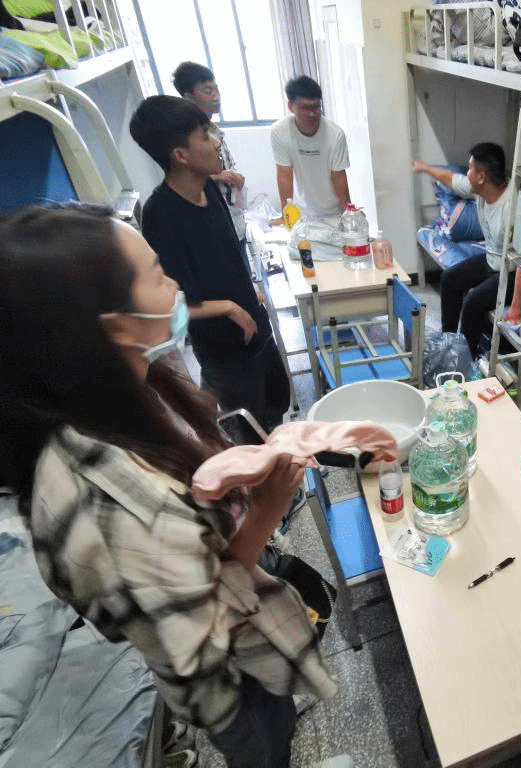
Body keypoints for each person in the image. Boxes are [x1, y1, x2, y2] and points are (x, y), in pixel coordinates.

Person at [0, 204, 337, 768]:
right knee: (263, 743)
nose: (175, 285)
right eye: (157, 275)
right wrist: (266, 509)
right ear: (116, 326)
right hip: (227, 684)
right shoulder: (106, 502)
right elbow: (205, 640)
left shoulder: (123, 384)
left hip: (224, 585)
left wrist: (237, 477)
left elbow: (186, 508)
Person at [130, 95, 289, 431]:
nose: (216, 141)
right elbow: (172, 302)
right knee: (248, 430)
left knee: (275, 405)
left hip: (254, 324)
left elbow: (227, 255)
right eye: (204, 135)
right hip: (222, 346)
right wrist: (228, 307)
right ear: (180, 155)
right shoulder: (161, 215)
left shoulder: (210, 189)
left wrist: (248, 291)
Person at [413, 142, 521, 359]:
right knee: (449, 279)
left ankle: (466, 358)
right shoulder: (481, 190)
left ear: (482, 176)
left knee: (473, 303)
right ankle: (448, 342)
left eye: (469, 169)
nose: (466, 174)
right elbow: (451, 179)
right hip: (491, 259)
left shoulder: (516, 206)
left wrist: (517, 306)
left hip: (511, 273)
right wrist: (425, 168)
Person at [171, 61, 247, 244]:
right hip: (212, 230)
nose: (216, 96)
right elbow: (180, 181)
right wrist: (218, 176)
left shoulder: (214, 130)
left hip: (234, 223)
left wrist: (233, 175)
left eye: (216, 90)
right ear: (189, 98)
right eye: (208, 91)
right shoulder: (183, 136)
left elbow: (226, 166)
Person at [271, 75, 350, 219]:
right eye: (305, 108)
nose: (312, 114)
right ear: (291, 107)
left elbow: (338, 176)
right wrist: (286, 216)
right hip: (303, 213)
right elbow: (284, 174)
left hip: (333, 212)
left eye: (316, 107)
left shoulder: (335, 134)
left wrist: (349, 211)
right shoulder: (280, 131)